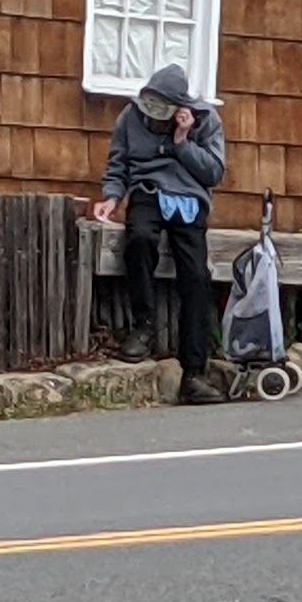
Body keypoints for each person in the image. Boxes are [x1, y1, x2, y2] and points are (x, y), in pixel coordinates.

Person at [91, 64, 228, 405]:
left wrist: (183, 142)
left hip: (188, 199)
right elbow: (118, 163)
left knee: (196, 276)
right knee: (139, 241)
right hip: (147, 191)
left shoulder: (206, 120)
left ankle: (194, 372)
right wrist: (111, 197)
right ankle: (143, 326)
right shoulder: (130, 117)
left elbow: (213, 173)